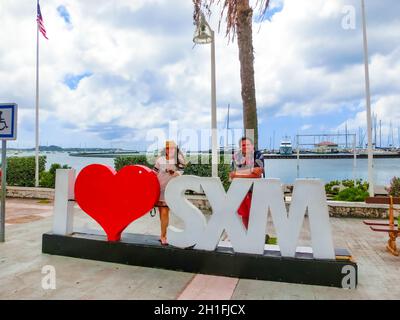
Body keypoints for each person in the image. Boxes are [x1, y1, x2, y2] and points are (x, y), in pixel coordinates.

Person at [153, 141, 186, 245]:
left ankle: (164, 236)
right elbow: (154, 172)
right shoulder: (160, 159)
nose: (169, 150)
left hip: (170, 190)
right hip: (158, 189)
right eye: (167, 148)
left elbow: (180, 172)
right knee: (161, 213)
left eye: (172, 148)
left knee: (164, 212)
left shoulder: (179, 160)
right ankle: (163, 234)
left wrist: (174, 172)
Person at [230, 137, 265, 229]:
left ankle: (256, 237)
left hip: (255, 190)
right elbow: (232, 174)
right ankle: (247, 235)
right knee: (244, 215)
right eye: (243, 145)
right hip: (241, 191)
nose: (245, 147)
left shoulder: (258, 155)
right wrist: (250, 171)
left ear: (252, 146)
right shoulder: (238, 156)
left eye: (248, 144)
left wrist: (239, 173)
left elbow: (257, 173)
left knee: (256, 216)